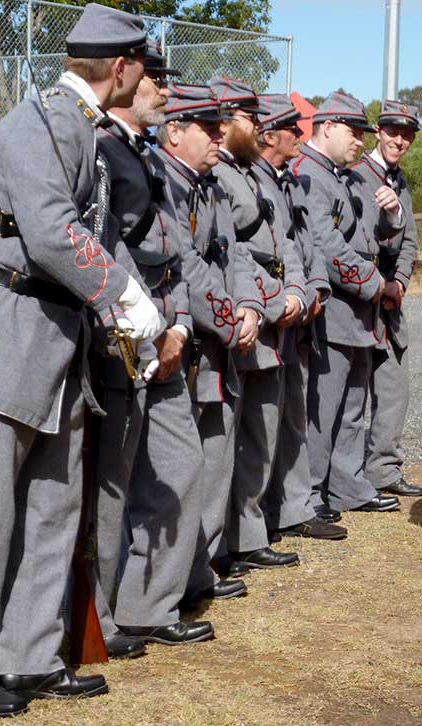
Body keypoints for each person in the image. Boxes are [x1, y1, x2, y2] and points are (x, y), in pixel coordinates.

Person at [0, 3, 162, 716]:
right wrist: (122, 295)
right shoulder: (38, 122)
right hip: (3, 332)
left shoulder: (82, 129)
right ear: (119, 67)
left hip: (56, 340)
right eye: (143, 65)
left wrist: (142, 310)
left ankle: (28, 657)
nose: (148, 77)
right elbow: (54, 232)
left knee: (53, 504)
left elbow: (97, 235)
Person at [92, 47, 217, 650]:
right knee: (110, 486)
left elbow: (181, 254)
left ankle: (150, 604)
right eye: (154, 79)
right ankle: (96, 617)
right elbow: (105, 249)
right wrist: (150, 333)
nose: (163, 89)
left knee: (180, 466)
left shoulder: (147, 157)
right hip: (124, 335)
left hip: (169, 331)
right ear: (124, 79)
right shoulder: (101, 148)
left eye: (165, 79)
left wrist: (184, 327)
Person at [151, 83, 266, 601]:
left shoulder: (210, 184)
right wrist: (227, 318)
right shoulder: (164, 182)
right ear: (174, 132)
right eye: (209, 126)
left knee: (216, 457)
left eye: (223, 125)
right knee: (184, 467)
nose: (222, 134)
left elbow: (236, 254)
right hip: (184, 343)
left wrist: (250, 307)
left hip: (219, 343)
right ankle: (170, 584)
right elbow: (187, 267)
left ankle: (200, 569)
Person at [208, 76, 307, 570]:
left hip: (272, 313)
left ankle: (248, 536)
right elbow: (232, 253)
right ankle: (216, 549)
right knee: (225, 438)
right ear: (225, 121)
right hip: (244, 316)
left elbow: (283, 240)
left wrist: (297, 291)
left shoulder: (248, 174)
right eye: (249, 116)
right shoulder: (220, 177)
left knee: (260, 432)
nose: (258, 124)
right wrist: (273, 299)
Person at [293, 91, 403, 516]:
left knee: (353, 404)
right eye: (354, 132)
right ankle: (313, 491)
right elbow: (328, 247)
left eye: (362, 133)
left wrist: (393, 215)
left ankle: (347, 486)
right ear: (327, 127)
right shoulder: (309, 173)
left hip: (358, 310)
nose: (361, 141)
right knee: (322, 408)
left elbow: (372, 238)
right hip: (334, 306)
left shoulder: (342, 175)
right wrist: (377, 285)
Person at [253, 93, 346, 540]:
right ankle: (255, 526)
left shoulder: (289, 180)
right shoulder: (254, 178)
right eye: (293, 127)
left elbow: (307, 245)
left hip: (300, 310)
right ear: (270, 134)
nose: (301, 134)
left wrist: (316, 288)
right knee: (261, 424)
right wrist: (289, 295)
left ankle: (292, 509)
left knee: (291, 417)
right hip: (270, 314)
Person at [350, 100, 422, 498]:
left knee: (395, 388)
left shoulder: (401, 181)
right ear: (378, 131)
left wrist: (398, 284)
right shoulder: (356, 175)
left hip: (389, 300)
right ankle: (340, 480)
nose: (400, 140)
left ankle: (383, 469)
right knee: (351, 396)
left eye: (407, 134)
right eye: (393, 131)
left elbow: (409, 241)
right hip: (359, 298)